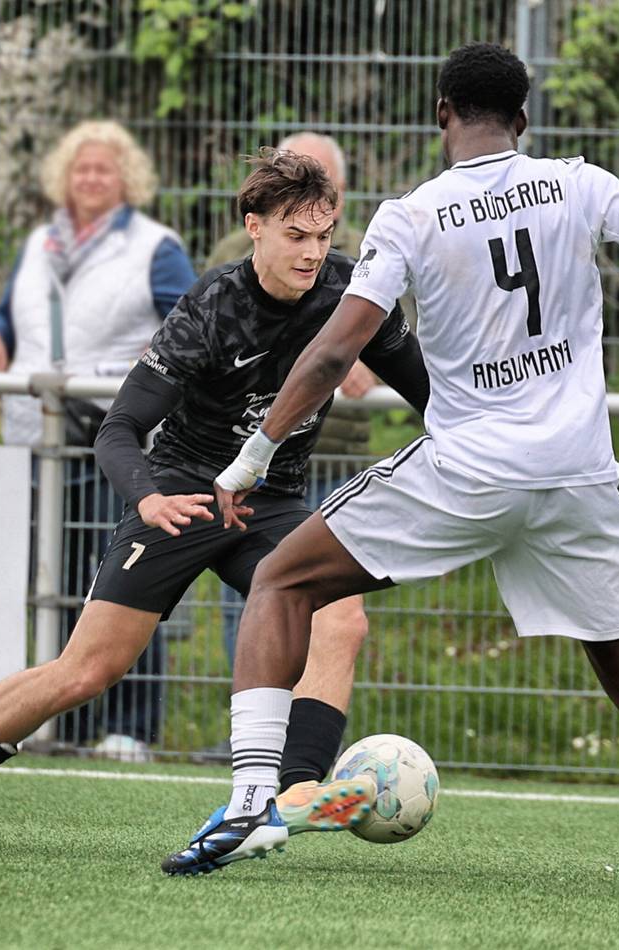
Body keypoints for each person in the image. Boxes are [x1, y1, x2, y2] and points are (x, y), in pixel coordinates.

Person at [184, 42, 619, 905]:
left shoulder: (409, 216)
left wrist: (254, 455)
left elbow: (336, 346)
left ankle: (251, 801)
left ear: (442, 113)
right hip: (577, 478)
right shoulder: (578, 183)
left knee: (280, 579)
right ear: (523, 118)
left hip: (471, 470)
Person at [0, 148, 429, 858]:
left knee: (339, 614)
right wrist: (147, 499)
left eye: (324, 236)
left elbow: (435, 398)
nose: (313, 252)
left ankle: (295, 795)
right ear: (255, 226)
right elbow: (118, 431)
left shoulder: (350, 293)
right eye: (295, 236)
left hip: (270, 502)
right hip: (181, 492)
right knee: (88, 669)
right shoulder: (210, 306)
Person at [0, 120, 197, 762]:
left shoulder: (156, 246)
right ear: (62, 178)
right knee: (57, 579)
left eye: (103, 169)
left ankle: (131, 727)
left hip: (110, 435)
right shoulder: (41, 241)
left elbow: (189, 320)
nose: (90, 179)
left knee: (124, 582)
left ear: (127, 179)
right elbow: (12, 309)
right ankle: (60, 726)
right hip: (37, 434)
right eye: (81, 169)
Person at [209, 133, 378, 670]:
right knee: (254, 596)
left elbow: (396, 340)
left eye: (320, 178)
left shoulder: (368, 256)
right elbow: (207, 334)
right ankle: (249, 729)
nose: (310, 248)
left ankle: (298, 736)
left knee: (332, 606)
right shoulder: (232, 254)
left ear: (342, 191)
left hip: (336, 458)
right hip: (244, 457)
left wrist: (361, 361)